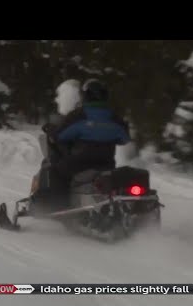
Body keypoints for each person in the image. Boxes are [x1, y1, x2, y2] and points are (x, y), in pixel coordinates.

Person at [35, 78, 130, 211]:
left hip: (79, 164)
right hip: (106, 164)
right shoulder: (115, 118)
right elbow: (125, 139)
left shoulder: (79, 116)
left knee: (54, 171)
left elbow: (60, 136)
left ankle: (56, 208)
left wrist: (51, 130)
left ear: (85, 96)